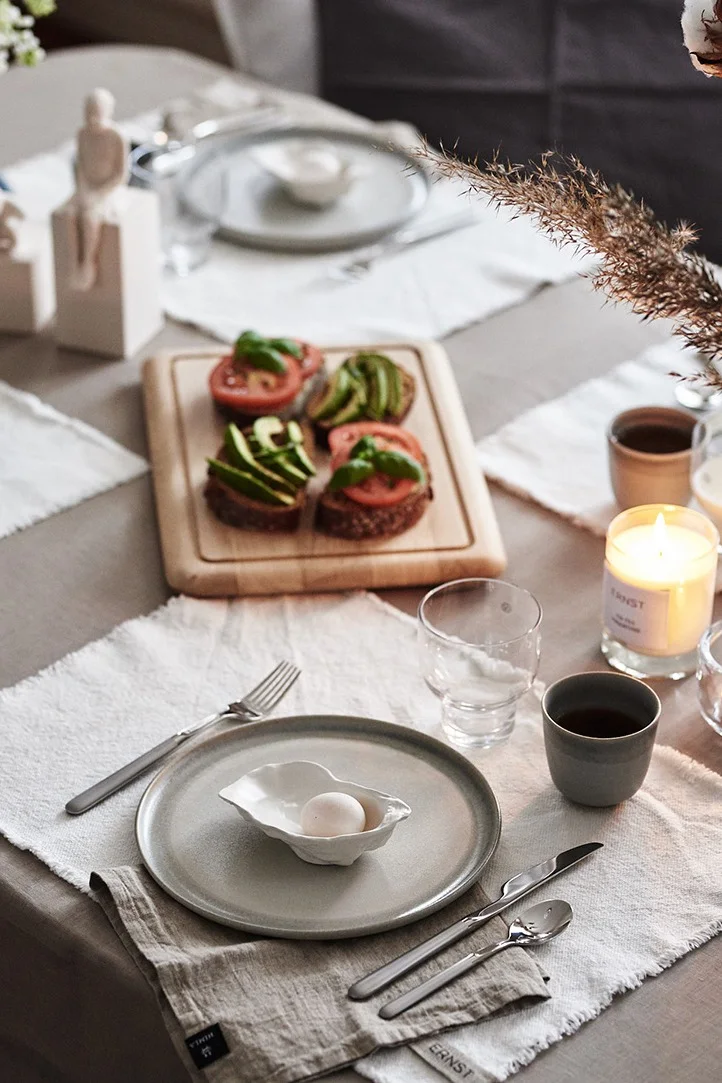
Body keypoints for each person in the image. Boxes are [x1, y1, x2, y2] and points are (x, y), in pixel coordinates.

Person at [72, 87, 128, 291]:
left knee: (89, 216)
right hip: (88, 187)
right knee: (69, 213)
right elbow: (80, 166)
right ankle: (72, 263)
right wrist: (82, 189)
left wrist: (99, 194)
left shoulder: (117, 137)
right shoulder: (82, 134)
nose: (92, 118)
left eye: (96, 113)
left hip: (108, 190)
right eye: (88, 112)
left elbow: (121, 175)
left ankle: (88, 263)